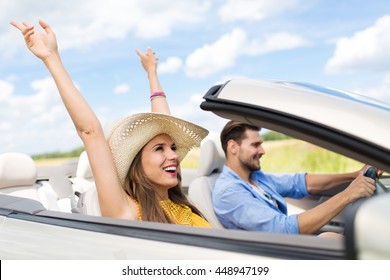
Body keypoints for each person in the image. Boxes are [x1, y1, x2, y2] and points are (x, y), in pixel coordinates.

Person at [11, 20, 210, 227]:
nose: (173, 156)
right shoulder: (128, 212)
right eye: (159, 149)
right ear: (136, 164)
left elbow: (165, 121)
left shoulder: (180, 205)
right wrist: (51, 58)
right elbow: (90, 132)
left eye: (173, 147)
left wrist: (152, 73)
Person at [212, 121, 376, 235]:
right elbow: (283, 230)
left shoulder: (255, 177)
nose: (262, 151)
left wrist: (355, 175)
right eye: (255, 145)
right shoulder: (229, 192)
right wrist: (347, 195)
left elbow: (300, 183)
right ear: (233, 146)